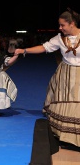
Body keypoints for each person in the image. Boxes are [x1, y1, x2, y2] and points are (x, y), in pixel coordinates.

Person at [15, 8, 80, 147]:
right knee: (64, 102)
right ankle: (65, 136)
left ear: (72, 23)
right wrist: (24, 50)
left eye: (62, 25)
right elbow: (44, 48)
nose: (60, 28)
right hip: (65, 73)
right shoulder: (60, 38)